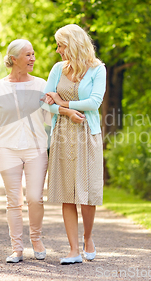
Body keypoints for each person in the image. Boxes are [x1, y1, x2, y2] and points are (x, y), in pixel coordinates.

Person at [0, 39, 51, 263]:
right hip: (9, 150)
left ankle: (36, 238)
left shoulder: (41, 84)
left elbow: (50, 119)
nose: (33, 58)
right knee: (13, 201)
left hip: (36, 149)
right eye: (28, 55)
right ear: (14, 59)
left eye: (33, 54)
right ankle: (17, 248)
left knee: (35, 198)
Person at [42, 24, 106, 265]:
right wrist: (64, 112)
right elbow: (45, 102)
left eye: (61, 45)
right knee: (67, 193)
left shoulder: (97, 69)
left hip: (87, 134)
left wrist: (63, 103)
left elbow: (94, 102)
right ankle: (73, 250)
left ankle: (88, 239)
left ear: (74, 44)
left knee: (87, 192)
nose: (57, 50)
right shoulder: (58, 69)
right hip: (62, 134)